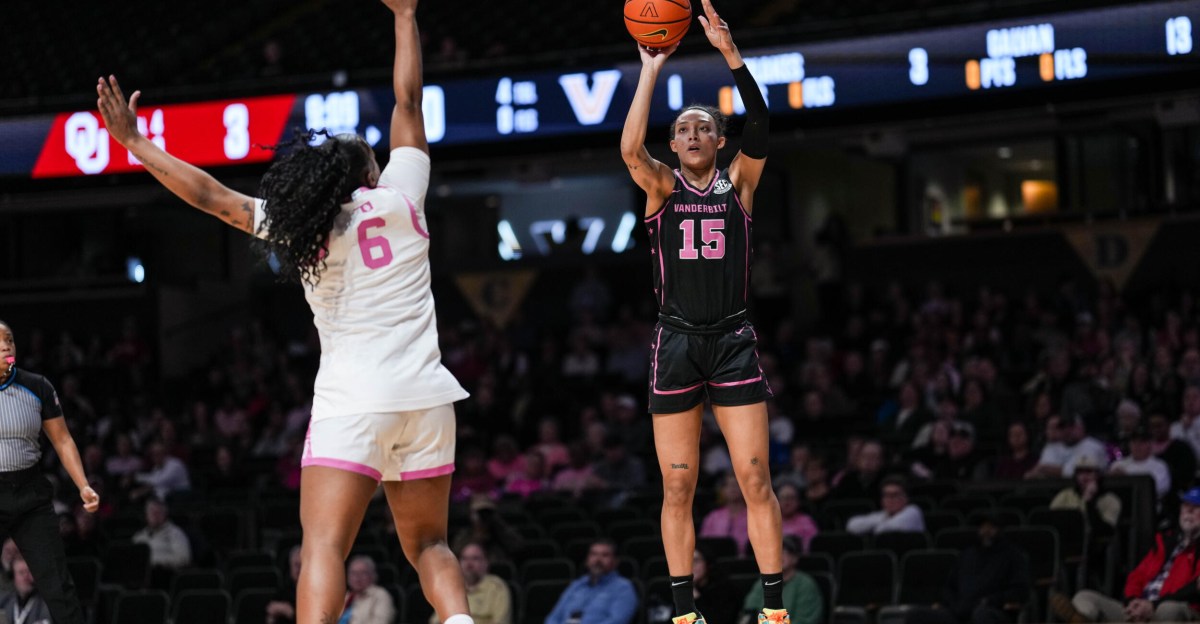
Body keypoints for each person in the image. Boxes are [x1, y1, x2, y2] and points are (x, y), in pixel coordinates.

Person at [94, 1, 476, 621]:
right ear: (370, 173)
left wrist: (136, 142)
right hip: (428, 397)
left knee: (323, 546)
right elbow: (408, 104)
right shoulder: (404, 197)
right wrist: (405, 15)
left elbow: (211, 196)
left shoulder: (300, 227)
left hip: (354, 401)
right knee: (430, 542)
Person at [619, 1, 783, 622]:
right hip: (677, 342)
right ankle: (685, 614)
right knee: (679, 486)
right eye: (683, 130)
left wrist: (730, 54)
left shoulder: (739, 181)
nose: (692, 136)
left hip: (734, 339)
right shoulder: (659, 185)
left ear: (719, 140)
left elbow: (762, 123)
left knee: (755, 479)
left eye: (703, 128)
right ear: (675, 143)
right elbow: (630, 147)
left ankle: (773, 611)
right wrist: (650, 70)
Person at [0, 320, 99, 624]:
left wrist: (83, 485)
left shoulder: (37, 386)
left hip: (30, 495)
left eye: (10, 340)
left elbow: (62, 439)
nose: (6, 346)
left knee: (58, 586)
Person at [1054, 487, 1200, 622]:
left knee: (1168, 609)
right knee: (1084, 597)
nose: (1189, 511)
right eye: (1186, 505)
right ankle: (1083, 620)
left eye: (1196, 507)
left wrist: (1153, 605)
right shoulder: (1164, 541)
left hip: (1175, 610)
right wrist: (1132, 602)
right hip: (1141, 609)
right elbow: (1137, 576)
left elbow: (1194, 589)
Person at [902, 513, 1031, 624]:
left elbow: (1019, 591)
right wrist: (954, 605)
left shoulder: (1013, 556)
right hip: (959, 610)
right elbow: (949, 588)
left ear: (1000, 530)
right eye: (982, 527)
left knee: (981, 615)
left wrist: (989, 601)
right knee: (915, 615)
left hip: (993, 610)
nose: (986, 531)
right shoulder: (967, 555)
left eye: (991, 527)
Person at [544, 539, 637, 624]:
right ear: (587, 560)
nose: (597, 560)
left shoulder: (623, 588)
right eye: (593, 554)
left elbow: (617, 621)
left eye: (605, 555)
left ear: (615, 562)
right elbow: (553, 617)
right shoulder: (576, 585)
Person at [739, 536, 822, 624]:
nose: (778, 556)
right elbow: (749, 612)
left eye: (784, 552)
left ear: (795, 558)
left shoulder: (805, 584)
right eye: (774, 552)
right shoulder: (762, 582)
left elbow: (805, 620)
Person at [433, 542, 510, 624]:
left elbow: (501, 621)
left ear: (485, 563)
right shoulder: (452, 588)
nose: (469, 564)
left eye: (475, 558)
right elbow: (436, 621)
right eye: (464, 558)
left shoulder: (497, 588)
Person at [130, 498, 192, 587]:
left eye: (158, 511)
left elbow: (184, 559)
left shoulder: (175, 533)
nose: (154, 514)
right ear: (146, 515)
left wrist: (154, 562)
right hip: (139, 578)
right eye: (151, 511)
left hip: (165, 577)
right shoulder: (139, 537)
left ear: (165, 514)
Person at [845, 477, 925, 535]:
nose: (890, 499)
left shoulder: (913, 511)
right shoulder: (881, 515)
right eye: (886, 495)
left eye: (894, 495)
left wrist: (873, 526)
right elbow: (851, 525)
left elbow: (885, 530)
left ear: (905, 498)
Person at [342, 556, 395, 624]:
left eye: (363, 573)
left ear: (373, 575)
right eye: (353, 573)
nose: (357, 577)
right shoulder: (346, 596)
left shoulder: (381, 595)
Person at [0, 557, 51, 624]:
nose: (26, 577)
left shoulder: (44, 603)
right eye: (21, 572)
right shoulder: (5, 600)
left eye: (29, 572)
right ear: (13, 576)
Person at [266, 545, 302, 624]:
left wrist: (291, 612)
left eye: (301, 565)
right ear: (290, 566)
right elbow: (270, 611)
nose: (298, 569)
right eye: (296, 565)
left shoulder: (314, 593)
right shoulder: (283, 591)